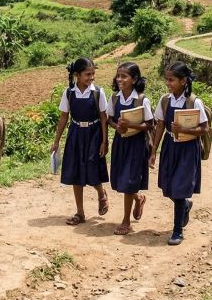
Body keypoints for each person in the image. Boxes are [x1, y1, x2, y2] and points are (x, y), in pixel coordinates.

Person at [149, 62, 209, 246]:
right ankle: (185, 205)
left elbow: (205, 128)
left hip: (187, 149)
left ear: (183, 81)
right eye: (167, 79)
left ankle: (177, 231)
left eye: (172, 80)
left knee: (179, 188)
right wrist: (154, 151)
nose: (168, 83)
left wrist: (184, 129)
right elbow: (159, 125)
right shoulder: (165, 100)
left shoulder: (193, 101)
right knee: (168, 187)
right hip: (170, 146)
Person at [51, 57, 110, 226]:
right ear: (76, 75)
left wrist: (104, 142)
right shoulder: (69, 93)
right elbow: (63, 118)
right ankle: (80, 212)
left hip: (94, 134)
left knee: (92, 167)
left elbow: (104, 118)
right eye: (87, 74)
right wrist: (56, 141)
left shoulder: (98, 92)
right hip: (75, 134)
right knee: (76, 172)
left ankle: (101, 193)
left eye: (93, 74)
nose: (91, 78)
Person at [108, 62, 154, 235]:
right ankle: (139, 198)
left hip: (136, 145)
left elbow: (149, 124)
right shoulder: (114, 98)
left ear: (134, 79)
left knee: (128, 181)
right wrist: (117, 127)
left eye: (124, 76)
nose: (120, 79)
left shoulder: (142, 99)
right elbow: (110, 119)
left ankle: (126, 222)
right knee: (122, 180)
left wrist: (132, 125)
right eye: (118, 76)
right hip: (121, 143)